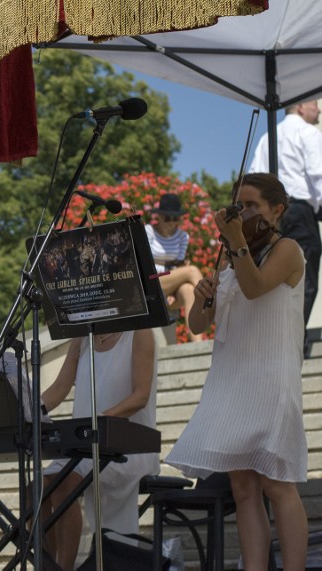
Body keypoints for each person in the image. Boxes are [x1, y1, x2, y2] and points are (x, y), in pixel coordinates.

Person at [167, 173, 308, 571]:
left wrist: (237, 243)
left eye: (252, 206)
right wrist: (202, 297)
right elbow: (197, 326)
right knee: (243, 487)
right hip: (231, 382)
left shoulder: (288, 249)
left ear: (276, 210)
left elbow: (256, 287)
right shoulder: (229, 259)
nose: (242, 212)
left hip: (270, 378)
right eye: (238, 205)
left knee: (278, 485)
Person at [39, 329, 159, 571]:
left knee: (65, 483)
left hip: (127, 447)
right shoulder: (82, 338)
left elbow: (140, 396)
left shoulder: (140, 333)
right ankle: (46, 566)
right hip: (85, 447)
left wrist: (100, 422)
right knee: (36, 490)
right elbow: (60, 386)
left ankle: (65, 567)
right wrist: (30, 411)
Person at [250, 99, 322, 357]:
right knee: (304, 280)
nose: (319, 109)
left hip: (269, 217)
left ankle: (274, 341)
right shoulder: (308, 133)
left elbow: (254, 179)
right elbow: (319, 174)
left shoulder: (267, 137)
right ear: (302, 106)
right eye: (316, 103)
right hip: (300, 212)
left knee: (271, 277)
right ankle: (293, 344)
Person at [145, 192, 205, 342]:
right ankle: (210, 303)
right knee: (192, 270)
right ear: (158, 216)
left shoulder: (183, 236)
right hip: (151, 279)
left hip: (170, 281)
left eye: (175, 218)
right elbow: (144, 263)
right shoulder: (149, 231)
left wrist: (172, 289)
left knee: (189, 290)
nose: (171, 222)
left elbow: (177, 267)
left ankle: (199, 345)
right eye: (167, 217)